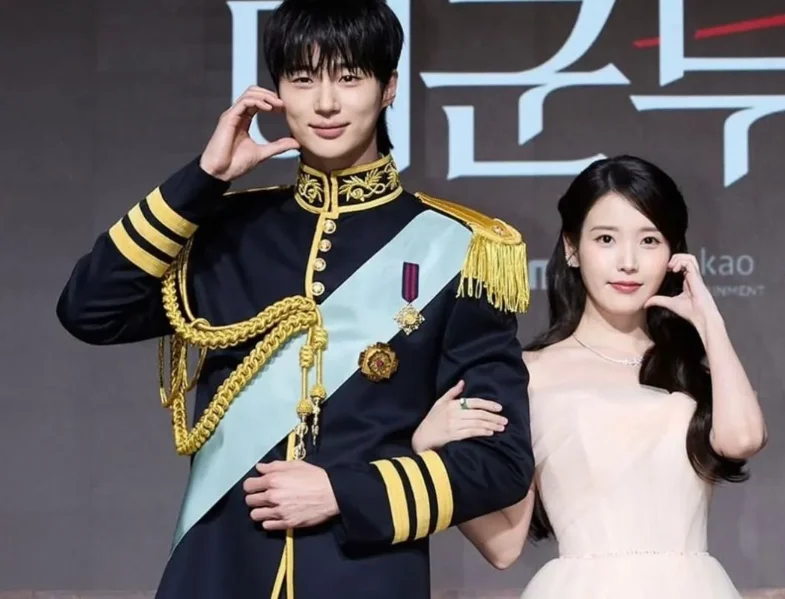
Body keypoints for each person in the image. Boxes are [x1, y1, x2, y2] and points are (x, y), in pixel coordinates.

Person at [55, 1, 534, 598]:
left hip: (363, 577)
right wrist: (203, 178)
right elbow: (89, 310)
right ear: (277, 92)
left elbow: (501, 463)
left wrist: (344, 491)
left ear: (388, 87)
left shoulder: (459, 249)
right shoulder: (225, 230)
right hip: (219, 573)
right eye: (303, 79)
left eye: (349, 77)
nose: (325, 103)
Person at [412, 155, 768, 597]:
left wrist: (710, 321)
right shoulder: (528, 373)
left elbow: (743, 439)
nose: (628, 262)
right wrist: (430, 455)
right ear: (571, 248)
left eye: (649, 241)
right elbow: (504, 546)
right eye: (605, 239)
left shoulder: (685, 370)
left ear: (673, 255)